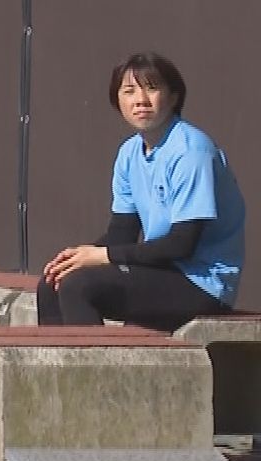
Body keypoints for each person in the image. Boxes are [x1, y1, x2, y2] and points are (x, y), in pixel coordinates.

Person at [37, 52, 246, 332]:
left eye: (152, 88)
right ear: (118, 102)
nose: (140, 100)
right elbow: (121, 234)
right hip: (162, 271)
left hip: (201, 282)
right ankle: (55, 375)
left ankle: (93, 374)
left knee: (80, 286)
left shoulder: (190, 151)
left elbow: (181, 245)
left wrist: (101, 256)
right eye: (129, 91)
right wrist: (76, 256)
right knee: (54, 280)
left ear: (173, 97)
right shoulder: (129, 153)